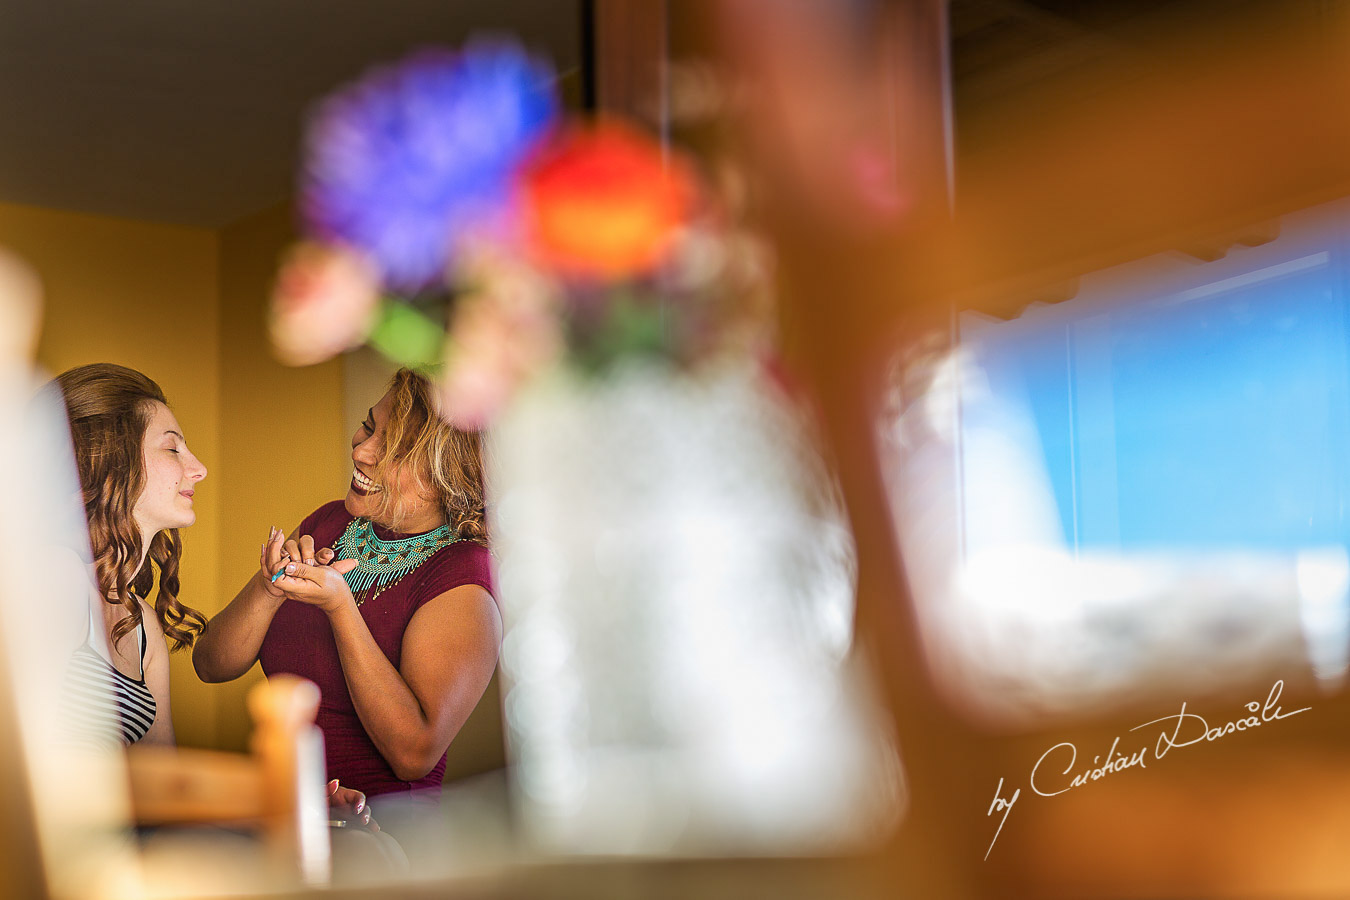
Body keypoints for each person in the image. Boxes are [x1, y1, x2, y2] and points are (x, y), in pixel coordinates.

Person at [193, 368, 500, 808]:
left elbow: (413, 754)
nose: (362, 449)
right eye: (369, 426)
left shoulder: (462, 573)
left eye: (393, 449)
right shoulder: (329, 522)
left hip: (385, 830)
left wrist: (341, 607)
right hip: (284, 805)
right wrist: (270, 587)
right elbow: (210, 663)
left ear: (447, 475)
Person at [54, 363, 209, 746]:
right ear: (110, 462)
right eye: (172, 448)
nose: (199, 469)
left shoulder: (143, 625)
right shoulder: (54, 574)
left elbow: (164, 787)